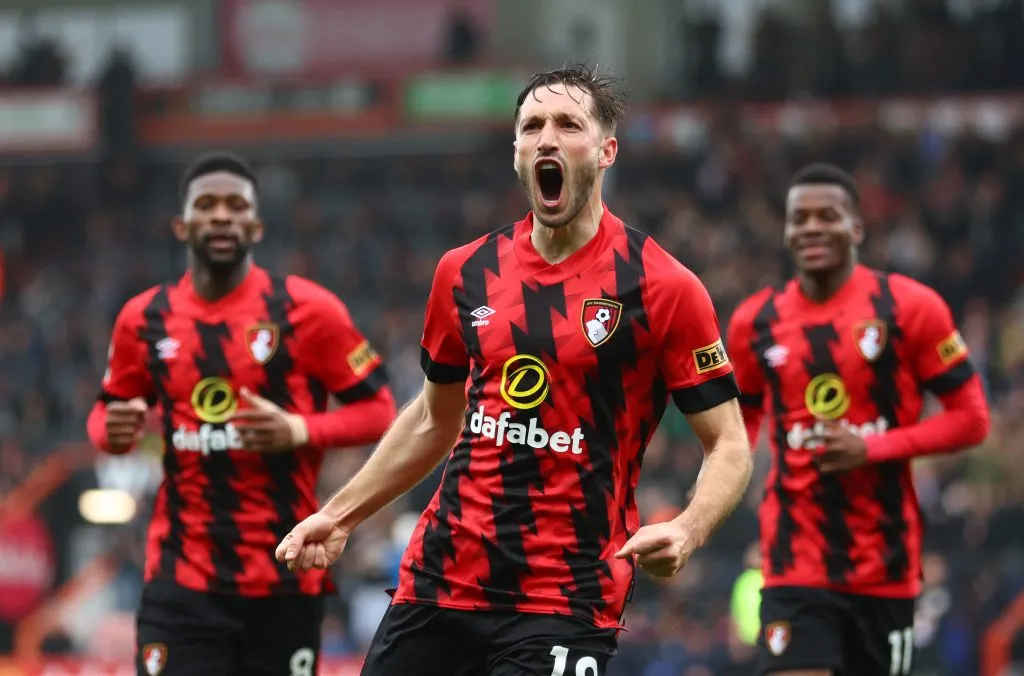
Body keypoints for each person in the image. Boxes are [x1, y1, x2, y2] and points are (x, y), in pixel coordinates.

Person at [275, 63, 754, 676]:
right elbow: (431, 418)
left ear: (607, 151)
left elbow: (730, 444)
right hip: (441, 580)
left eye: (567, 124)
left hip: (566, 597)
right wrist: (337, 514)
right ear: (518, 153)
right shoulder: (464, 271)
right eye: (532, 125)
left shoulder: (664, 287)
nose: (547, 138)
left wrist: (688, 528)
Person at [87, 151, 397, 676]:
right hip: (180, 580)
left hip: (283, 576)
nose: (222, 216)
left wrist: (298, 429)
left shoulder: (309, 310)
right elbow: (106, 416)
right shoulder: (143, 318)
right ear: (182, 225)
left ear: (255, 225)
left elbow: (381, 410)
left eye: (236, 206)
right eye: (207, 205)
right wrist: (114, 432)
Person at [726, 163, 991, 676]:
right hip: (792, 560)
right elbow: (738, 428)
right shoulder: (754, 322)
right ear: (785, 231)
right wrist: (720, 496)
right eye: (798, 217)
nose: (811, 227)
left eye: (828, 215)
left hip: (884, 565)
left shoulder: (910, 308)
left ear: (857, 228)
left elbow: (972, 418)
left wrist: (872, 447)